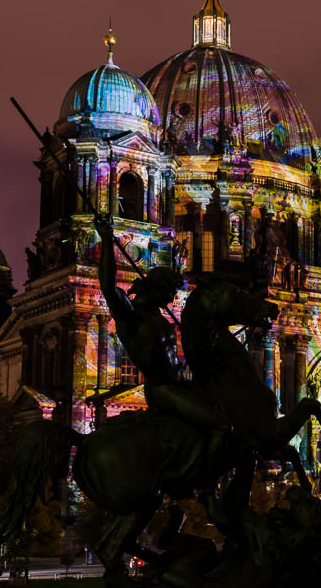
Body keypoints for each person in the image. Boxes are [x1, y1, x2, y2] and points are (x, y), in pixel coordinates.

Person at [94, 215, 232, 514]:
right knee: (221, 426)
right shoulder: (133, 316)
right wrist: (106, 240)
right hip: (162, 389)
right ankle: (208, 491)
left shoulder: (163, 317)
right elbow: (107, 287)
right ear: (154, 288)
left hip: (178, 384)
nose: (173, 295)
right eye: (169, 289)